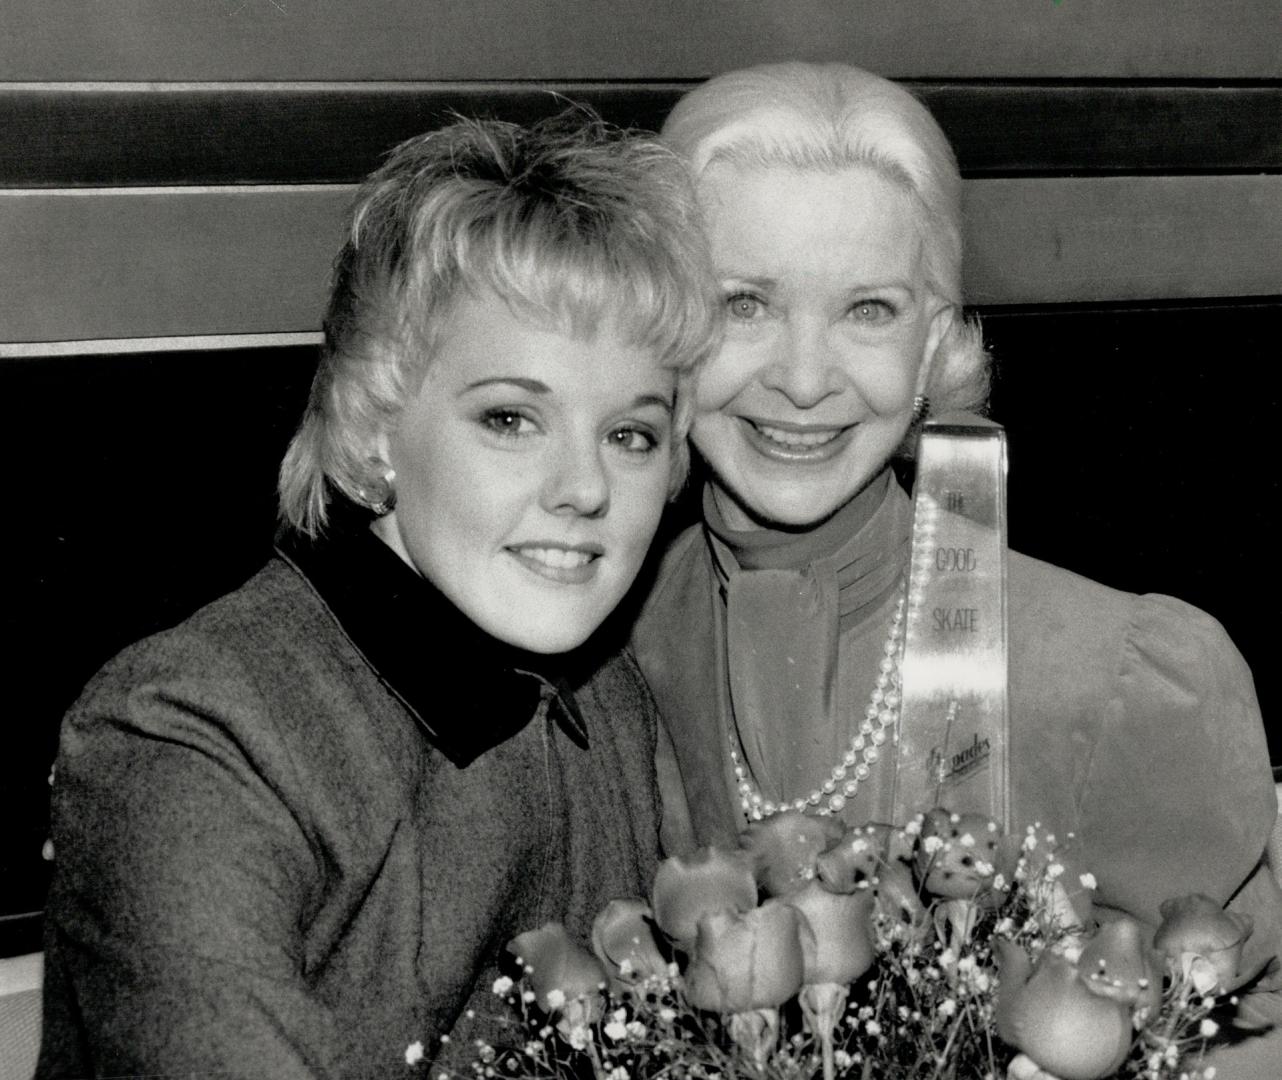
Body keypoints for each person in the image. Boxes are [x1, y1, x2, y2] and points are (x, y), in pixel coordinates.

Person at [629, 61, 1282, 1074]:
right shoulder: (604, 638)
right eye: (743, 303)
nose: (804, 378)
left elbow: (1250, 1042)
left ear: (933, 338)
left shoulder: (1121, 678)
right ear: (661, 321)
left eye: (868, 311)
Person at [37, 113, 718, 1078]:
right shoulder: (186, 736)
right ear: (371, 431)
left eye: (631, 435)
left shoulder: (609, 700)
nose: (585, 489)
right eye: (512, 418)